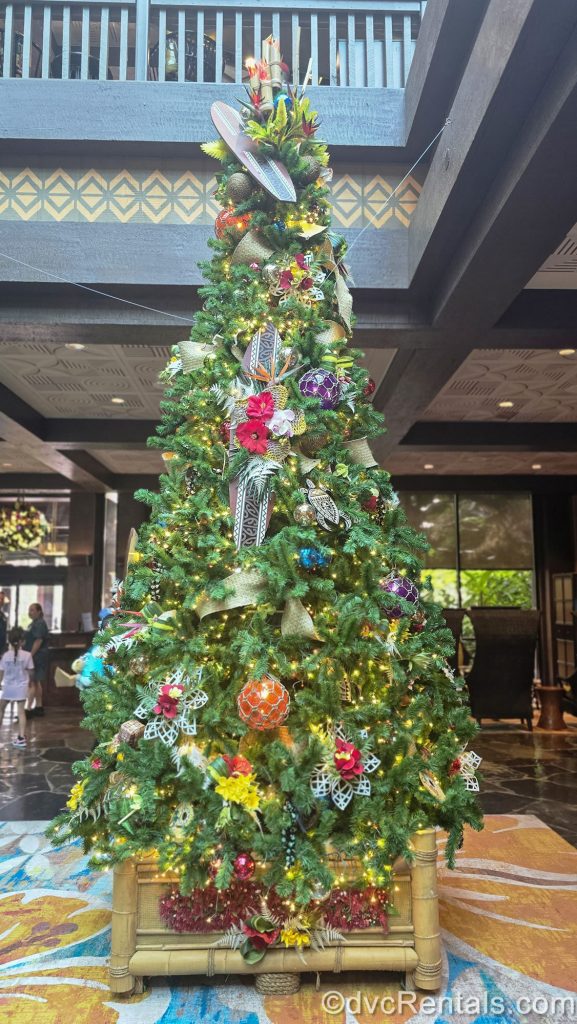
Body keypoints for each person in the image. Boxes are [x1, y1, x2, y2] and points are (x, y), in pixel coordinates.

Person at [0, 626, 34, 747]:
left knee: (1, 708)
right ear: (22, 641)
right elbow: (31, 671)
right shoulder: (27, 655)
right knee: (21, 712)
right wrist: (29, 681)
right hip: (21, 686)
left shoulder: (5, 656)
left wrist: (0, 683)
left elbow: (1, 672)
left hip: (8, 687)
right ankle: (20, 737)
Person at [24, 603, 49, 717]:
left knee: (32, 682)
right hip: (35, 656)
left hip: (37, 656)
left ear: (39, 611)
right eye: (29, 610)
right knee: (36, 682)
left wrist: (30, 655)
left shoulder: (40, 623)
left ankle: (28, 709)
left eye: (32, 610)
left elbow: (38, 641)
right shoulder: (33, 623)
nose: (30, 612)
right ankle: (39, 706)